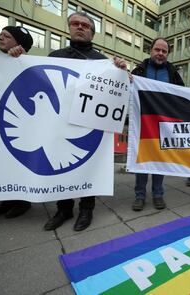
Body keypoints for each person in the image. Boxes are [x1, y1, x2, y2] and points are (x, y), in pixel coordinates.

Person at [44, 12, 127, 231]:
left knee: (89, 166)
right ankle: (63, 208)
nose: (80, 27)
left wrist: (120, 71)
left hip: (91, 125)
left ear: (92, 32)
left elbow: (115, 91)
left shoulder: (103, 61)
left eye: (85, 25)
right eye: (75, 24)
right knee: (62, 166)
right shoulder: (54, 56)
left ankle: (86, 208)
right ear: (69, 28)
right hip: (60, 122)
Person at [0, 26, 33, 219]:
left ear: (19, 44)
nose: (1, 37)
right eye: (1, 34)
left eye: (7, 36)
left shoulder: (25, 63)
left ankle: (22, 202)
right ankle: (5, 200)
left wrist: (22, 58)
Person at [131, 37, 184, 211]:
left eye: (164, 51)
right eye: (157, 50)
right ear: (151, 50)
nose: (160, 54)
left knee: (160, 160)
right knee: (142, 160)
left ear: (168, 54)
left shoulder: (173, 73)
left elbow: (183, 95)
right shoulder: (139, 70)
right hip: (143, 123)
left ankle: (158, 194)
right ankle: (139, 195)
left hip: (163, 125)